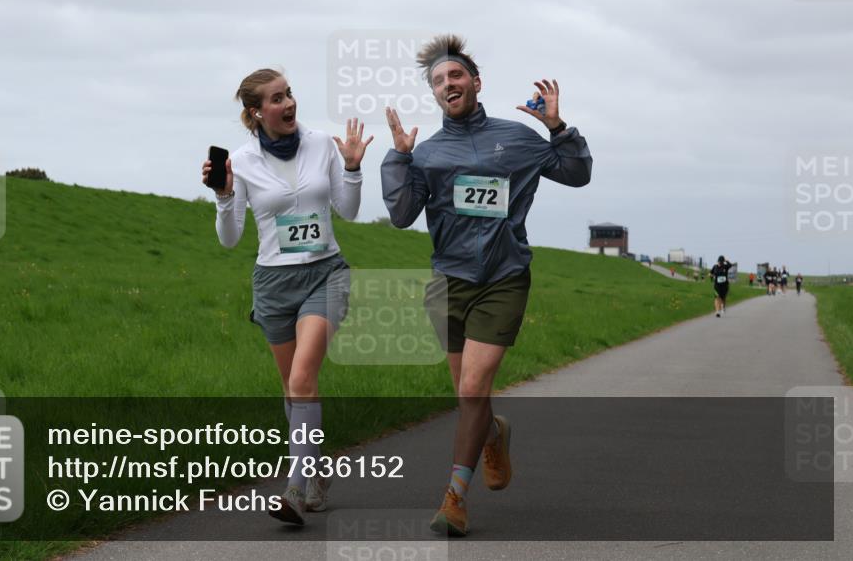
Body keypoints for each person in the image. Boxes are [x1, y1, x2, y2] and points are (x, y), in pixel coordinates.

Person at [381, 35, 592, 536]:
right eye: (438, 80)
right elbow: (401, 215)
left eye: (455, 75)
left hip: (503, 278)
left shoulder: (517, 138)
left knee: (475, 386)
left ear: (475, 83)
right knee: (468, 398)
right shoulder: (427, 153)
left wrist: (557, 127)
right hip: (448, 283)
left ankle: (454, 498)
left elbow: (578, 174)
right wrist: (398, 159)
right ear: (434, 94)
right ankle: (494, 433)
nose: (447, 84)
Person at [202, 68, 373, 525]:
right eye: (277, 99)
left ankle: (296, 487)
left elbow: (349, 211)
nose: (289, 103)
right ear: (256, 112)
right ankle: (316, 473)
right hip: (273, 283)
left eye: (290, 93)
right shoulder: (242, 161)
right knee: (293, 389)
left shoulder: (321, 145)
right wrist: (223, 195)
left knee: (302, 379)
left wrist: (353, 168)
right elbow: (230, 239)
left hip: (325, 274)